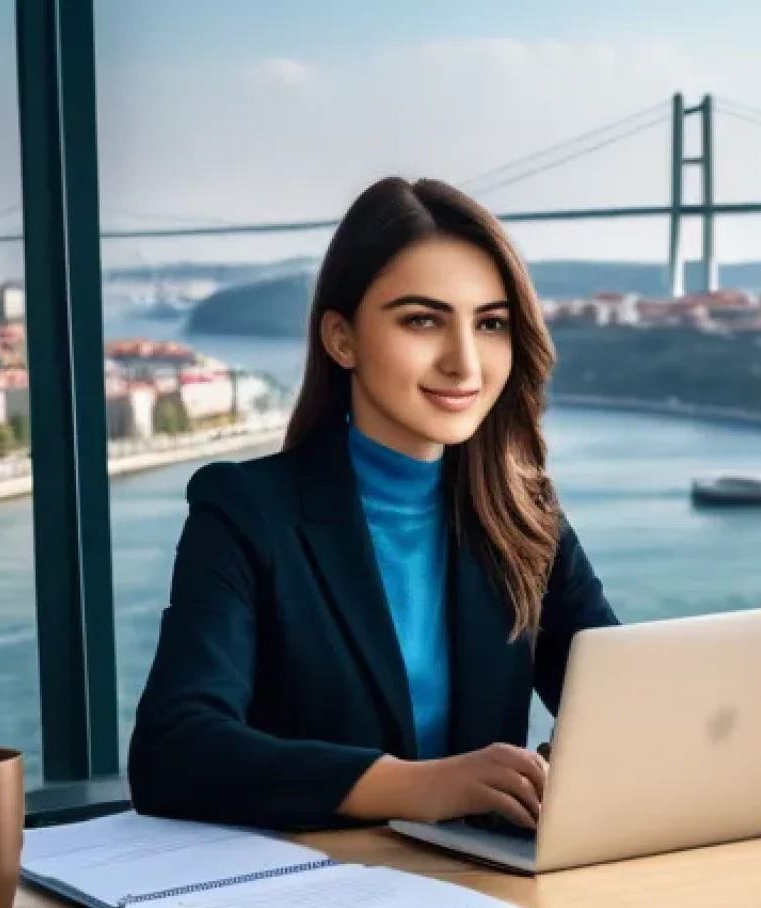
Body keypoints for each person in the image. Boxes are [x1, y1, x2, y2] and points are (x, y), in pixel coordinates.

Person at [127, 176, 619, 833]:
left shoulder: (526, 515)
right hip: (310, 884)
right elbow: (173, 751)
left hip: (486, 882)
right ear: (342, 339)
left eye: (490, 324)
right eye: (422, 320)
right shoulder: (244, 511)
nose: (465, 363)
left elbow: (622, 703)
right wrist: (419, 786)